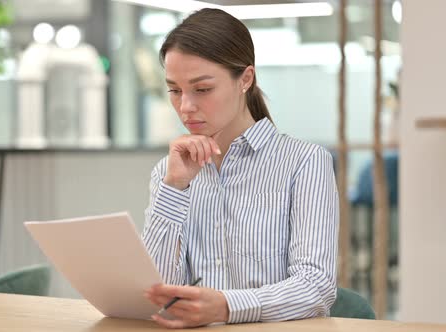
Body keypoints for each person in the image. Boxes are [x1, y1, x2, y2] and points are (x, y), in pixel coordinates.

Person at [142, 8, 339, 329]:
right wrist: (174, 188)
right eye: (175, 90)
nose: (185, 107)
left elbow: (316, 286)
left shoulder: (304, 162)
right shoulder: (169, 172)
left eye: (202, 89)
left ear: (245, 79)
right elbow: (158, 290)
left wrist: (226, 306)